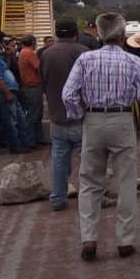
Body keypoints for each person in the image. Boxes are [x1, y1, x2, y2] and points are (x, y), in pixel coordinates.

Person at [61, 13, 140, 261]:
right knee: (126, 180)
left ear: (100, 34)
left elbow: (68, 94)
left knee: (90, 181)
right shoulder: (133, 61)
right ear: (123, 35)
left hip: (93, 120)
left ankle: (89, 238)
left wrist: (80, 113)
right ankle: (125, 240)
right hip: (123, 121)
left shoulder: (85, 59)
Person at [40, 18, 88, 212]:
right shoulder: (83, 52)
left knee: (59, 159)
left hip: (57, 116)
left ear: (56, 33)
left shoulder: (45, 54)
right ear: (75, 33)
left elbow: (42, 83)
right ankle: (91, 196)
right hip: (82, 117)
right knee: (88, 160)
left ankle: (58, 198)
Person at [0, 30, 35, 154]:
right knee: (11, 122)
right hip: (3, 93)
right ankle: (16, 146)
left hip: (9, 91)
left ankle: (24, 143)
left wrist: (7, 56)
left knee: (19, 119)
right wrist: (7, 93)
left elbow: (4, 69)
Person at [18, 35, 45, 144]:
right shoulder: (29, 53)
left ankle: (37, 139)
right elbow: (38, 68)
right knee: (34, 114)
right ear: (32, 42)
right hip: (32, 87)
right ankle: (31, 141)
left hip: (28, 86)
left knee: (35, 114)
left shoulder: (22, 52)